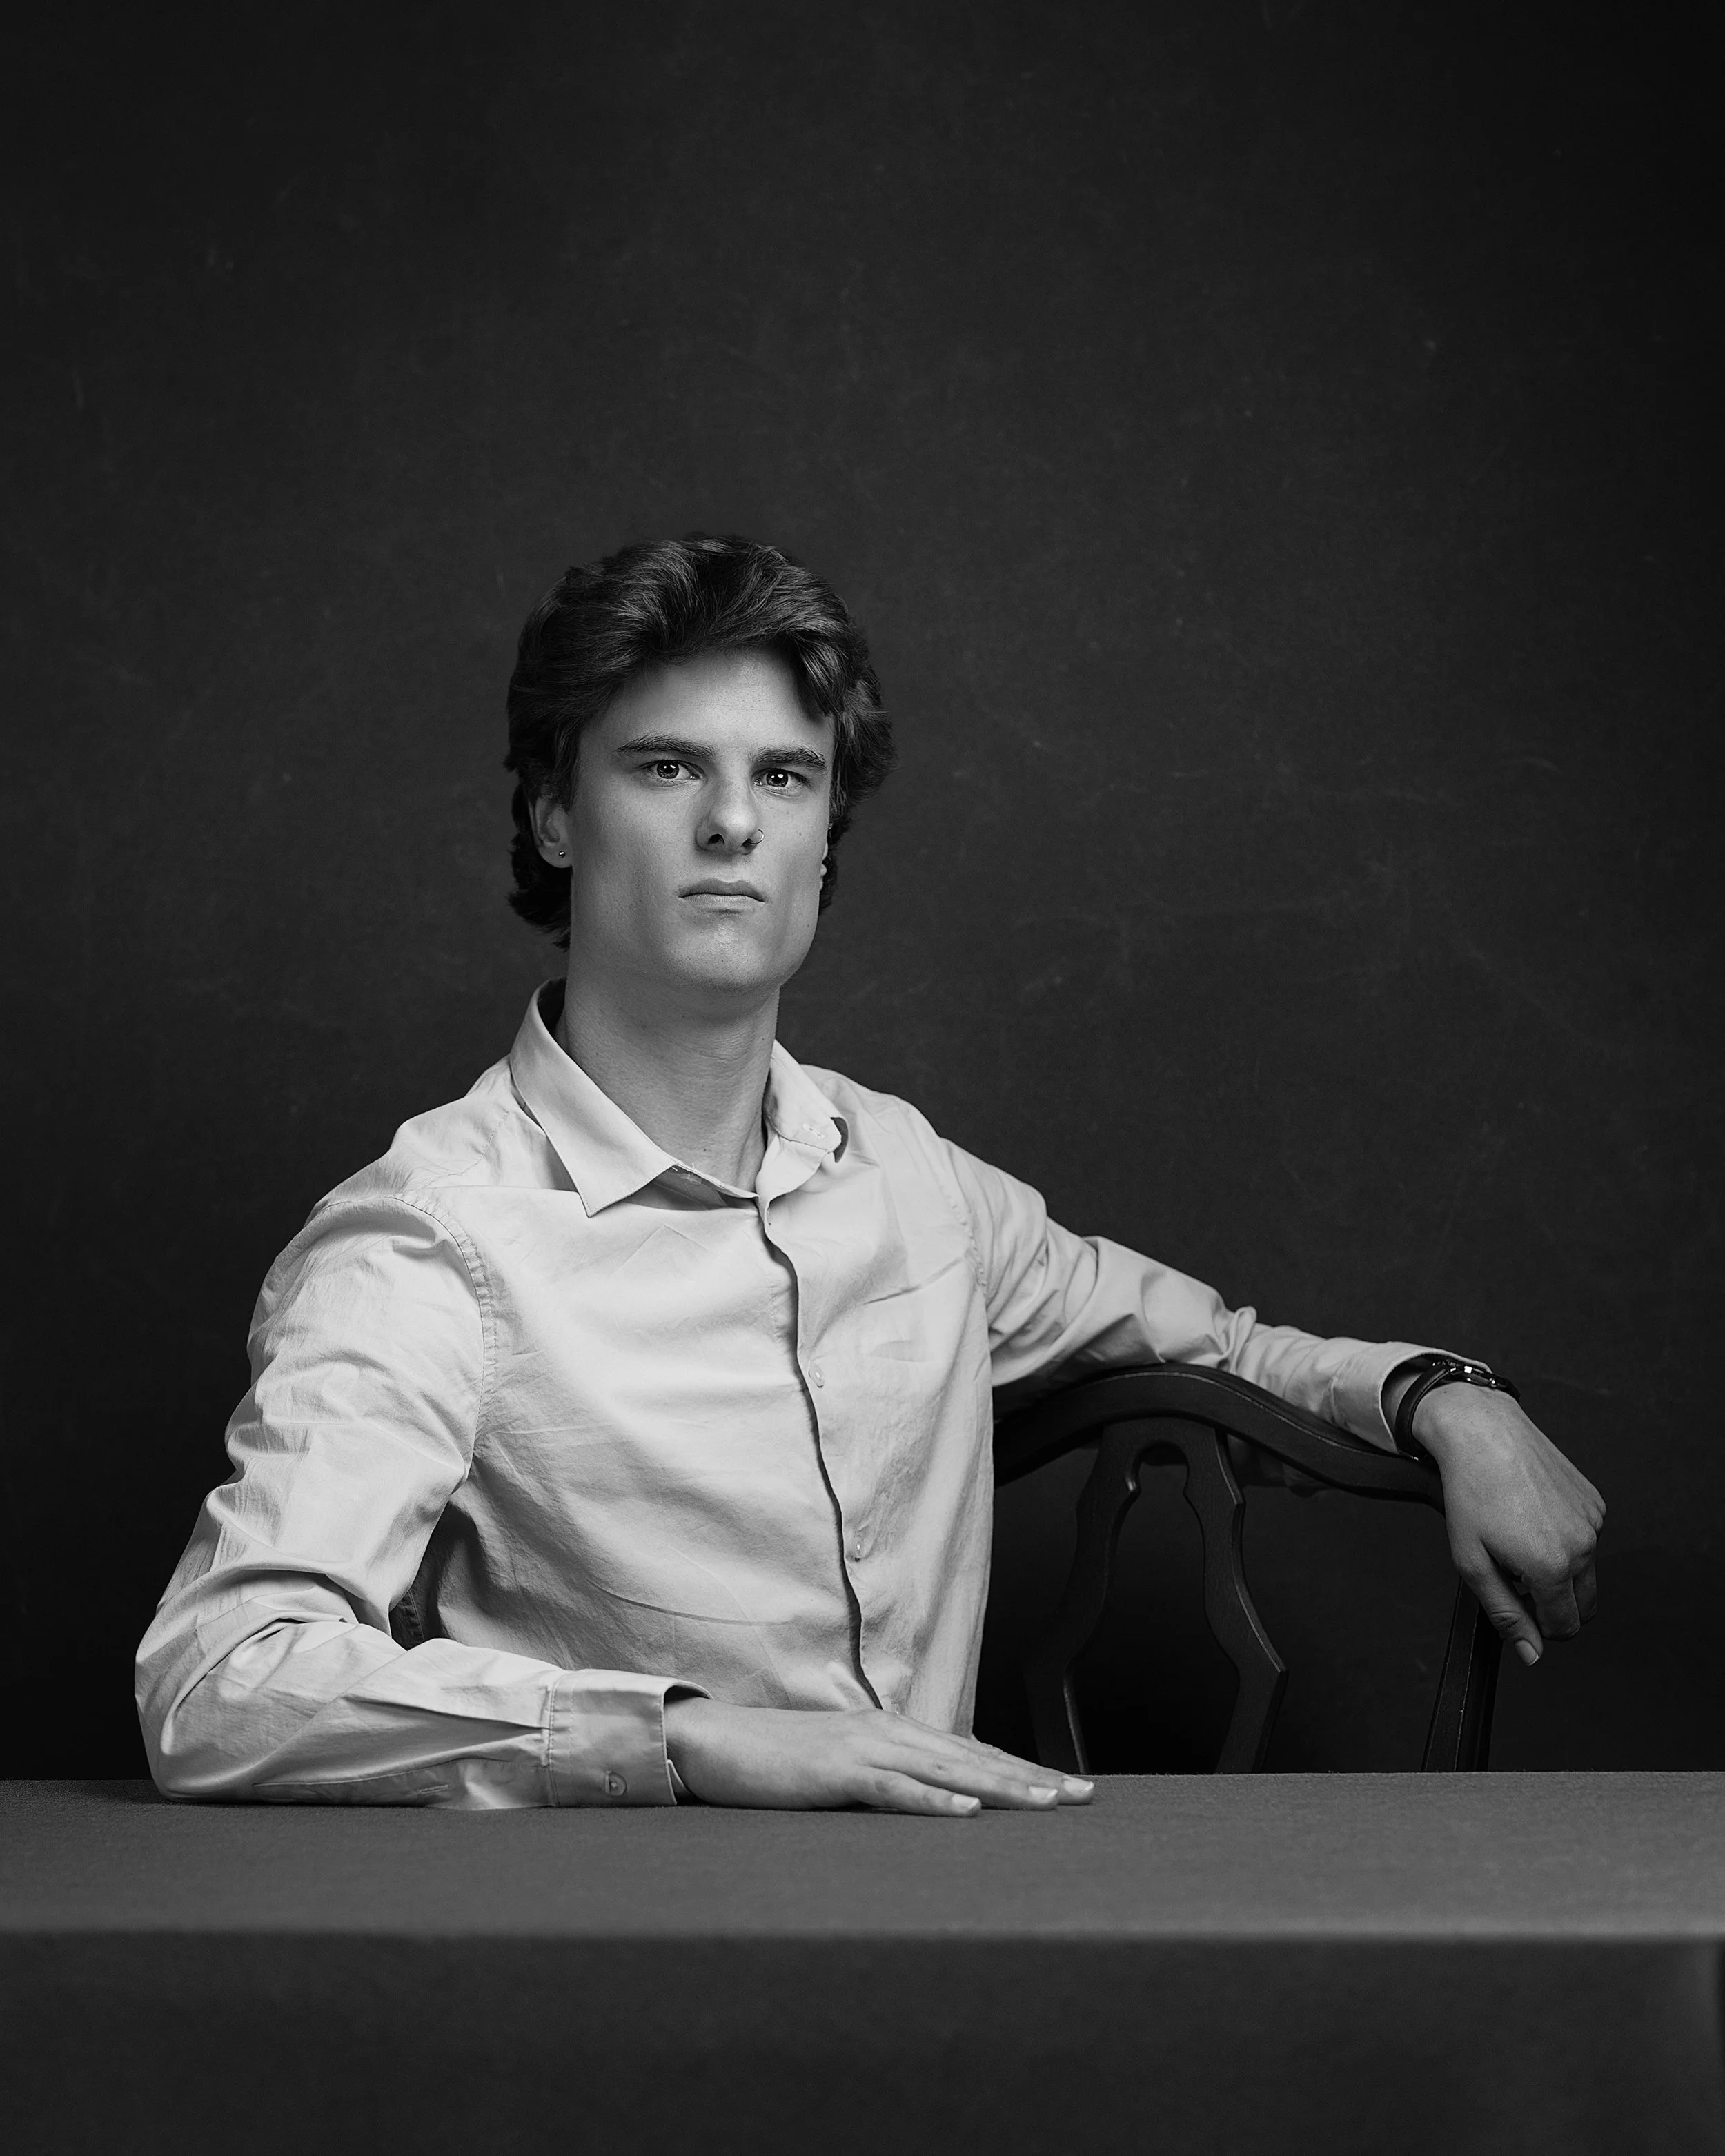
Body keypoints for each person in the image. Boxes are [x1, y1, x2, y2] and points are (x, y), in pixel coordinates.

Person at [136, 535, 1604, 1814]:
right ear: (554, 815)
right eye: (666, 766)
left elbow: (1220, 1351)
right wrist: (693, 1738)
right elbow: (221, 1678)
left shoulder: (907, 1177)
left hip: (963, 1952)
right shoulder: (428, 1241)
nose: (733, 822)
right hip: (612, 1973)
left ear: (825, 840)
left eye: (783, 776)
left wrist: (1448, 1397)